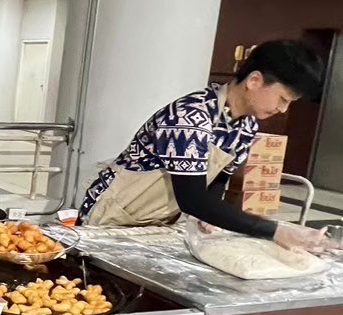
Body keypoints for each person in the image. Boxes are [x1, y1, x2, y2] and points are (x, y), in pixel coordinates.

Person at [79, 39, 327, 250]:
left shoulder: (246, 127)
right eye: (282, 99)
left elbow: (218, 179)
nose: (282, 109)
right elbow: (193, 199)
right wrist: (275, 231)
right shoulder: (191, 116)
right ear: (254, 80)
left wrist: (210, 216)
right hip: (113, 216)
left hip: (156, 222)